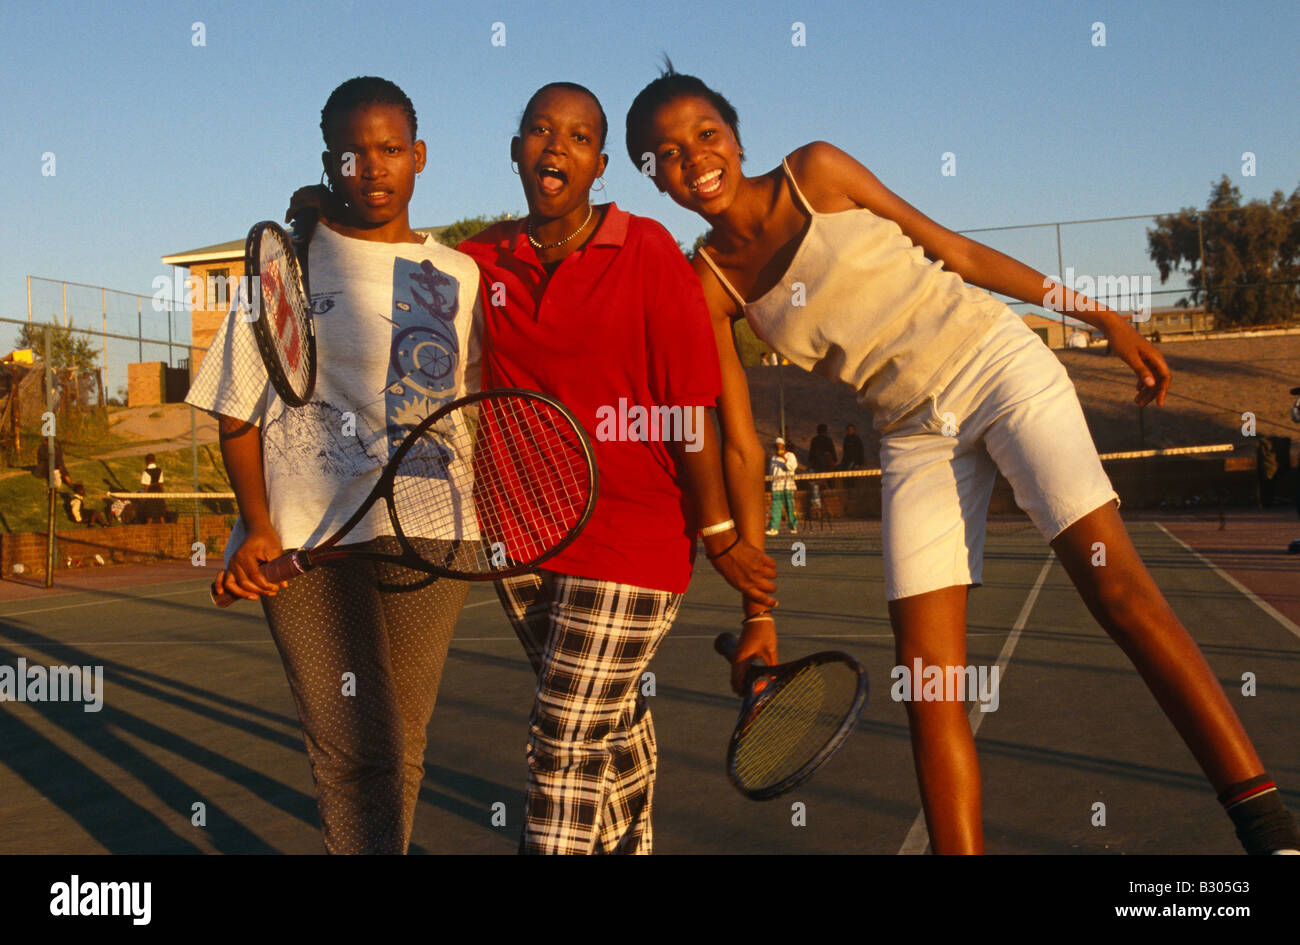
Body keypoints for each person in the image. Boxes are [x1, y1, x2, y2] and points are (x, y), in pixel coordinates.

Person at [625, 65, 1300, 855]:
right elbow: (738, 444)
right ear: (651, 177)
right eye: (665, 153)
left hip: (997, 364)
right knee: (929, 684)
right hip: (913, 434)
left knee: (1115, 587)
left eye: (705, 134)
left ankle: (1268, 830)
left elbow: (954, 251)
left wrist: (1097, 315)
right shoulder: (706, 285)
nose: (693, 158)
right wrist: (758, 615)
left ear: (736, 138)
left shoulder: (817, 171)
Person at [457, 82, 777, 855]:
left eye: (576, 136)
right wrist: (322, 213)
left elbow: (688, 405)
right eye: (539, 130)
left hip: (630, 540)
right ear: (516, 151)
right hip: (521, 537)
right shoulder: (475, 262)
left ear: (601, 164)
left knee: (562, 744)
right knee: (609, 720)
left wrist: (720, 527)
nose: (554, 145)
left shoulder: (649, 253)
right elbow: (391, 269)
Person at [188, 76, 482, 854]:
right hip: (310, 545)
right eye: (353, 154)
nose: (373, 168)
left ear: (419, 156)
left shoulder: (460, 275)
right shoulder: (288, 266)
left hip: (433, 534)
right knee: (354, 752)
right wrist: (254, 527)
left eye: (390, 150)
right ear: (330, 162)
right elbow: (236, 409)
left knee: (401, 747)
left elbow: (474, 406)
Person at [765, 436, 797, 536]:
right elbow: (772, 473)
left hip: (788, 486)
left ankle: (793, 526)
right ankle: (774, 528)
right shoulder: (773, 458)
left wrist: (783, 458)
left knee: (790, 507)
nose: (778, 448)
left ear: (783, 446)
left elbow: (792, 467)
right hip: (776, 487)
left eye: (779, 446)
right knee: (775, 508)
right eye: (776, 446)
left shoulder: (790, 455)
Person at [139, 453, 165, 524]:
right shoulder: (160, 470)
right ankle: (164, 526)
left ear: (147, 461)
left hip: (151, 492)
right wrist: (163, 493)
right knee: (161, 511)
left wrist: (144, 495)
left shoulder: (146, 472)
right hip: (159, 491)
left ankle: (148, 527)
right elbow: (161, 483)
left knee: (150, 511)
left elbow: (146, 485)